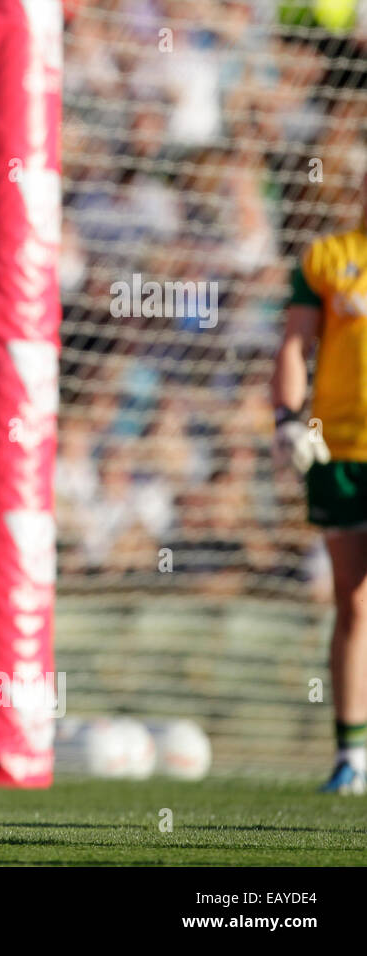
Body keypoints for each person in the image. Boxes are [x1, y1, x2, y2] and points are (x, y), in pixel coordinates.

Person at [273, 176, 367, 795]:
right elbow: (294, 345)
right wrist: (286, 418)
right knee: (354, 601)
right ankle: (352, 756)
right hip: (343, 451)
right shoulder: (330, 259)